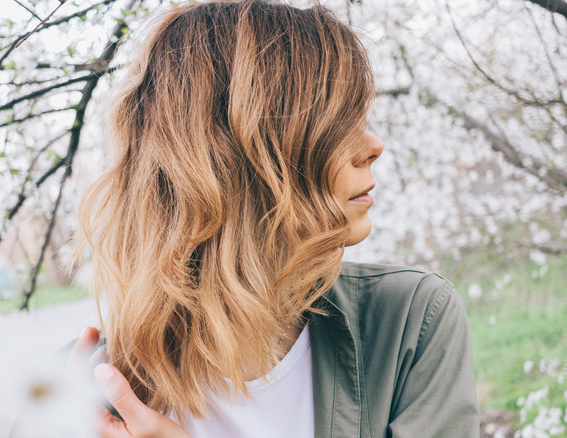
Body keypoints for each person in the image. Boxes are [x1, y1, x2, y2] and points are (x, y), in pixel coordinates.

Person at [68, 0, 480, 437]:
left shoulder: (407, 322)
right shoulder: (89, 388)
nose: (374, 144)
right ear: (234, 153)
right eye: (336, 121)